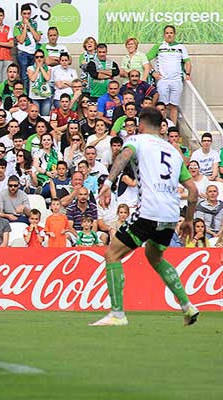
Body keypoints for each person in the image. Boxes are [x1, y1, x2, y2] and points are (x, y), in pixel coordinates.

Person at [92, 106, 199, 326]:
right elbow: (194, 191)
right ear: (161, 126)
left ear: (140, 125)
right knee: (155, 256)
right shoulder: (173, 152)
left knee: (112, 254)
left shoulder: (137, 140)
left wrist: (109, 182)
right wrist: (188, 219)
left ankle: (117, 314)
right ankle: (188, 306)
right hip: (170, 214)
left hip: (148, 211)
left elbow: (124, 155)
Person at [147, 25, 191, 125]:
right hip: (163, 80)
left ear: (174, 34)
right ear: (164, 35)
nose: (169, 35)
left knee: (174, 106)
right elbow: (146, 60)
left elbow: (187, 62)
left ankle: (173, 128)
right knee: (162, 106)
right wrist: (153, 73)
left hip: (176, 80)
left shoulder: (181, 47)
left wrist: (187, 73)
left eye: (171, 33)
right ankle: (162, 127)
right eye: (167, 33)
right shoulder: (159, 46)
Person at [13, 3, 41, 92]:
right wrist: (24, 26)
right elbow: (21, 40)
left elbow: (37, 38)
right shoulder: (17, 25)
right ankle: (25, 96)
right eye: (24, 14)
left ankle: (32, 96)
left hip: (34, 53)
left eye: (28, 13)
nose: (26, 16)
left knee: (34, 75)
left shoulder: (34, 24)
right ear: (21, 14)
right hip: (23, 53)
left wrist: (29, 25)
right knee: (24, 77)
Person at [27, 49, 52, 116]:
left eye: (41, 57)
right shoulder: (30, 68)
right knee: (35, 117)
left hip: (46, 96)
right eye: (37, 57)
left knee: (45, 116)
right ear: (34, 58)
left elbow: (47, 78)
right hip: (35, 97)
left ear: (44, 58)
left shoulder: (48, 68)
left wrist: (41, 67)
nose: (39, 59)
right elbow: (32, 79)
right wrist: (38, 67)